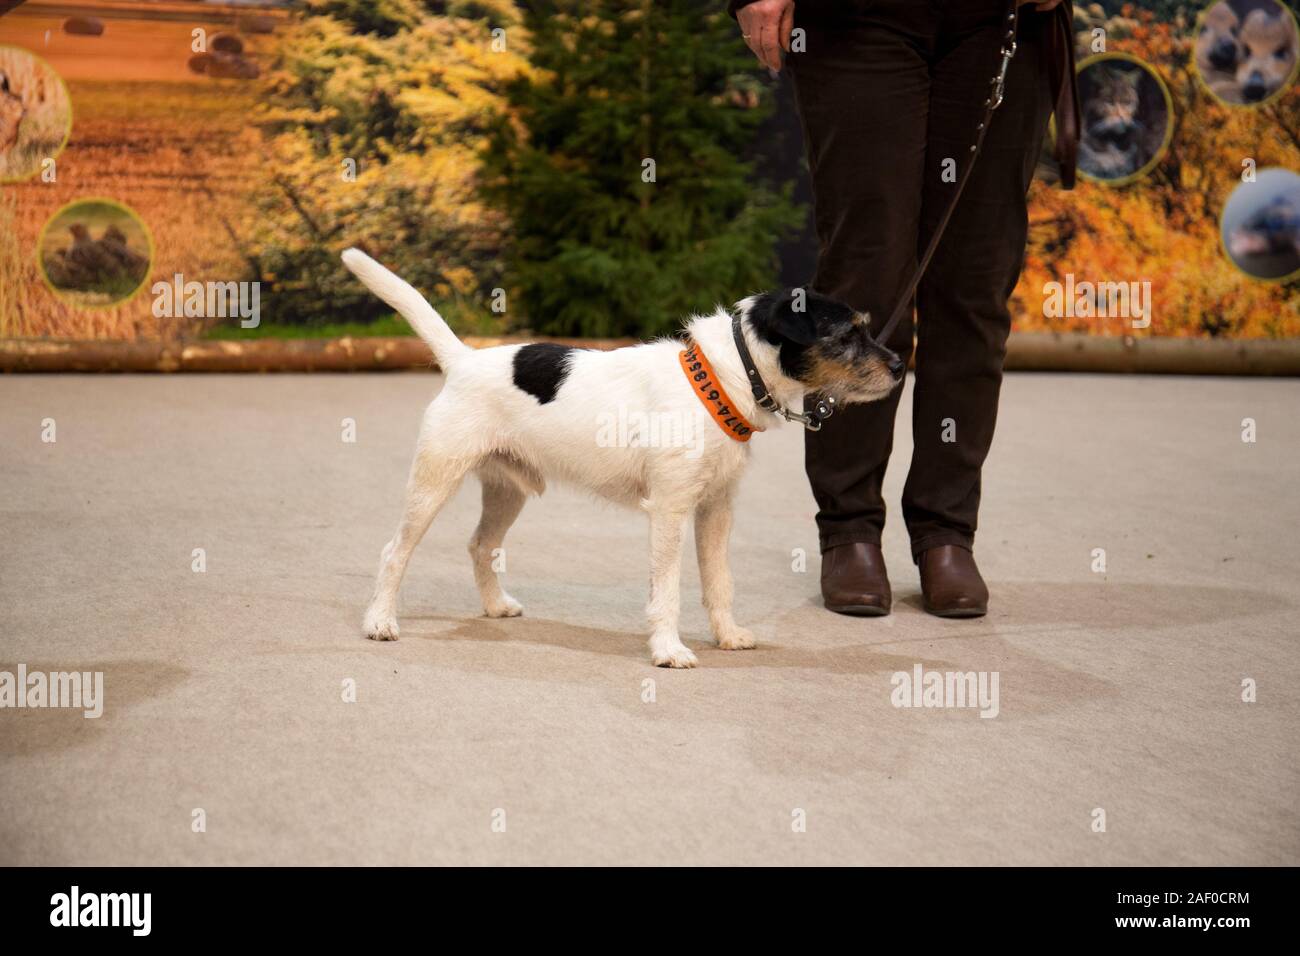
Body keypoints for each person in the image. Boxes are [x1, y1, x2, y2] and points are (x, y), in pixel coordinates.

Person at [730, 0, 1078, 617]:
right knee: (866, 277)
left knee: (975, 280)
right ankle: (850, 530)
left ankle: (947, 532)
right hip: (860, 19)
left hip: (1003, 19)